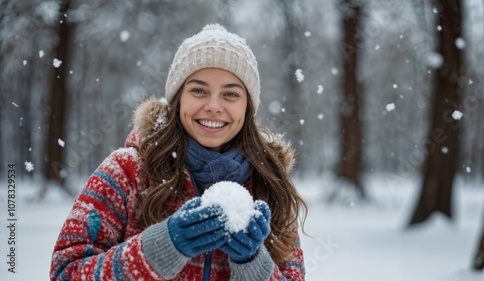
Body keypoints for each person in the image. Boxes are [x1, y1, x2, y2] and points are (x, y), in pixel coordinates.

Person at [50, 23, 307, 281]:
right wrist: (161, 248)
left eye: (230, 94)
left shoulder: (270, 186)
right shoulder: (125, 172)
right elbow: (65, 273)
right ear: (178, 99)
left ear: (247, 108)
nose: (214, 106)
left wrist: (253, 265)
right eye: (199, 90)